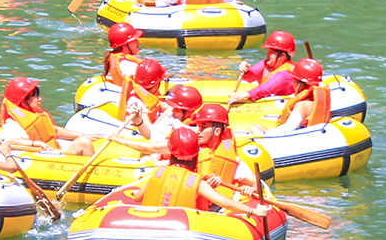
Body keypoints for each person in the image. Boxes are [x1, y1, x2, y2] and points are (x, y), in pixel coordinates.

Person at [125, 125, 272, 225]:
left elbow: (138, 197)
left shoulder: (158, 173)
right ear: (196, 155)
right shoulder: (197, 182)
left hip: (153, 225)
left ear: (170, 153)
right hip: (184, 229)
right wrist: (254, 211)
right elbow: (225, 202)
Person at [0, 76, 99, 158]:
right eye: (34, 96)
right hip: (44, 158)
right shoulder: (13, 125)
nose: (39, 99)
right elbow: (12, 142)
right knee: (83, 143)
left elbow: (54, 131)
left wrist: (81, 135)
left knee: (83, 139)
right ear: (23, 102)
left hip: (54, 152)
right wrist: (37, 144)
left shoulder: (36, 115)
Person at [189, 103, 262, 196]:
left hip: (219, 206)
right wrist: (204, 189)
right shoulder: (190, 153)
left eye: (203, 127)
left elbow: (258, 183)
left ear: (217, 131)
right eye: (197, 126)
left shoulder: (231, 160)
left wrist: (251, 189)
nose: (198, 130)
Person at [228, 33, 301, 105]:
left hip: (281, 103)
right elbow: (250, 77)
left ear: (282, 56)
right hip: (270, 97)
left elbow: (267, 88)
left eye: (271, 52)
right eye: (268, 51)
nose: (267, 54)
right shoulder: (267, 63)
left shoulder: (286, 73)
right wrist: (246, 70)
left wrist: (244, 95)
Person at [271, 59, 333, 130]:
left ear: (299, 84)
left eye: (294, 80)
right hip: (311, 135)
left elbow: (287, 128)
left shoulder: (301, 106)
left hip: (288, 139)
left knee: (255, 128)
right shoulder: (316, 102)